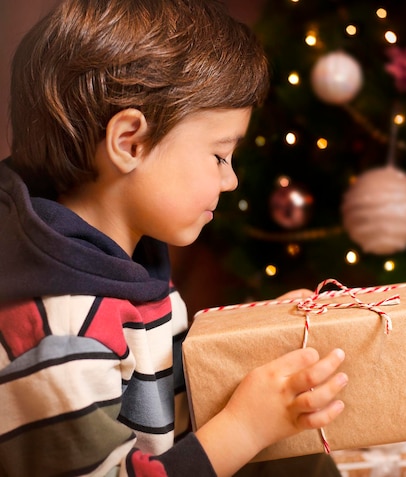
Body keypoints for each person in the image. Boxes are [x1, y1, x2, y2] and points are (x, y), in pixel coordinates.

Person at [0, 0, 348, 476]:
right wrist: (245, 428)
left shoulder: (118, 256)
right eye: (219, 155)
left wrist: (255, 339)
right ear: (130, 143)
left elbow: (169, 404)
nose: (231, 181)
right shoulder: (63, 328)